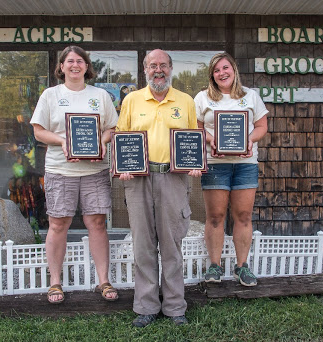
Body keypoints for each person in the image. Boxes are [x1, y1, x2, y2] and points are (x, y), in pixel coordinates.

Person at [117, 49, 201, 327]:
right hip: (138, 180)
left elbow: (193, 138)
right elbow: (121, 137)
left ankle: (176, 308)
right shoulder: (131, 100)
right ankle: (146, 306)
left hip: (174, 179)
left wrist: (195, 161)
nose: (158, 70)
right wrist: (123, 165)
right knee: (142, 245)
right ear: (145, 70)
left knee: (172, 244)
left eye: (163, 65)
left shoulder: (186, 101)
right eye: (153, 65)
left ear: (171, 68)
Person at [31, 46, 119, 304]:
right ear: (61, 67)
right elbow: (38, 131)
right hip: (60, 170)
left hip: (94, 170)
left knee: (98, 224)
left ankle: (103, 280)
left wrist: (102, 141)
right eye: (70, 61)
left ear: (86, 66)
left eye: (80, 61)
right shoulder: (50, 95)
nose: (75, 65)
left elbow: (111, 128)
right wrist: (62, 141)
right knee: (58, 224)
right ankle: (55, 282)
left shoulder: (100, 95)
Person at [194, 52, 268, 286]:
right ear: (212, 75)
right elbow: (195, 127)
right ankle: (214, 266)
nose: (221, 73)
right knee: (215, 217)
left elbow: (261, 125)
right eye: (216, 70)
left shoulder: (250, 96)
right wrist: (210, 140)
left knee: (243, 216)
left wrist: (249, 140)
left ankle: (241, 266)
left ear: (233, 70)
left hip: (245, 165)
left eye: (225, 68)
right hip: (215, 164)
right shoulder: (203, 98)